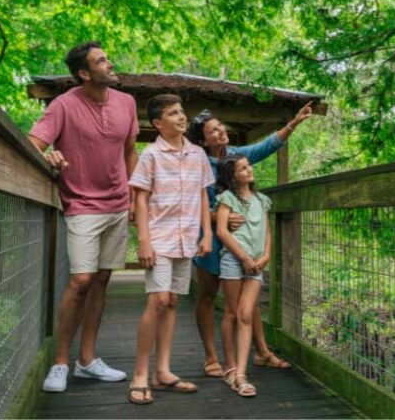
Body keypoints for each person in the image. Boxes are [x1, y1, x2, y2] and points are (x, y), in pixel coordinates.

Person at [29, 41, 138, 393]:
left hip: (118, 204)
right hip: (81, 205)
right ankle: (61, 362)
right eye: (101, 60)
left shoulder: (127, 103)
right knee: (80, 281)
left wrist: (133, 196)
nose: (109, 63)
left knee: (102, 280)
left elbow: (130, 151)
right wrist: (50, 158)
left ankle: (88, 361)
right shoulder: (63, 105)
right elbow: (34, 144)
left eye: (107, 57)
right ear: (83, 73)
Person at [187, 102, 313, 377]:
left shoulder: (234, 155)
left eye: (221, 127)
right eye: (213, 131)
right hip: (212, 239)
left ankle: (262, 352)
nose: (221, 132)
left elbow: (265, 147)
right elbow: (186, 203)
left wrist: (293, 124)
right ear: (202, 140)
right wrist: (215, 217)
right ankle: (211, 357)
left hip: (241, 239)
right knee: (208, 295)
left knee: (248, 298)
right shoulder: (195, 162)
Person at [127, 94, 215, 405]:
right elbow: (139, 199)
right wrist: (144, 240)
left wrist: (207, 235)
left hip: (187, 238)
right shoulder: (150, 156)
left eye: (182, 112)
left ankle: (162, 372)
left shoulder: (198, 155)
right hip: (159, 238)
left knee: (174, 302)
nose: (181, 117)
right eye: (173, 114)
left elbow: (204, 196)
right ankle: (140, 374)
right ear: (157, 123)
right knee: (158, 301)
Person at [215, 155, 273, 397]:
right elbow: (221, 231)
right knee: (231, 312)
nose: (248, 170)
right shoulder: (228, 199)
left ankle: (240, 373)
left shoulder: (262, 200)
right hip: (234, 260)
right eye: (242, 168)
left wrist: (265, 256)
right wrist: (244, 258)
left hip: (256, 265)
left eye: (248, 166)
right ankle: (232, 369)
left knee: (246, 314)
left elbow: (267, 231)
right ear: (232, 176)